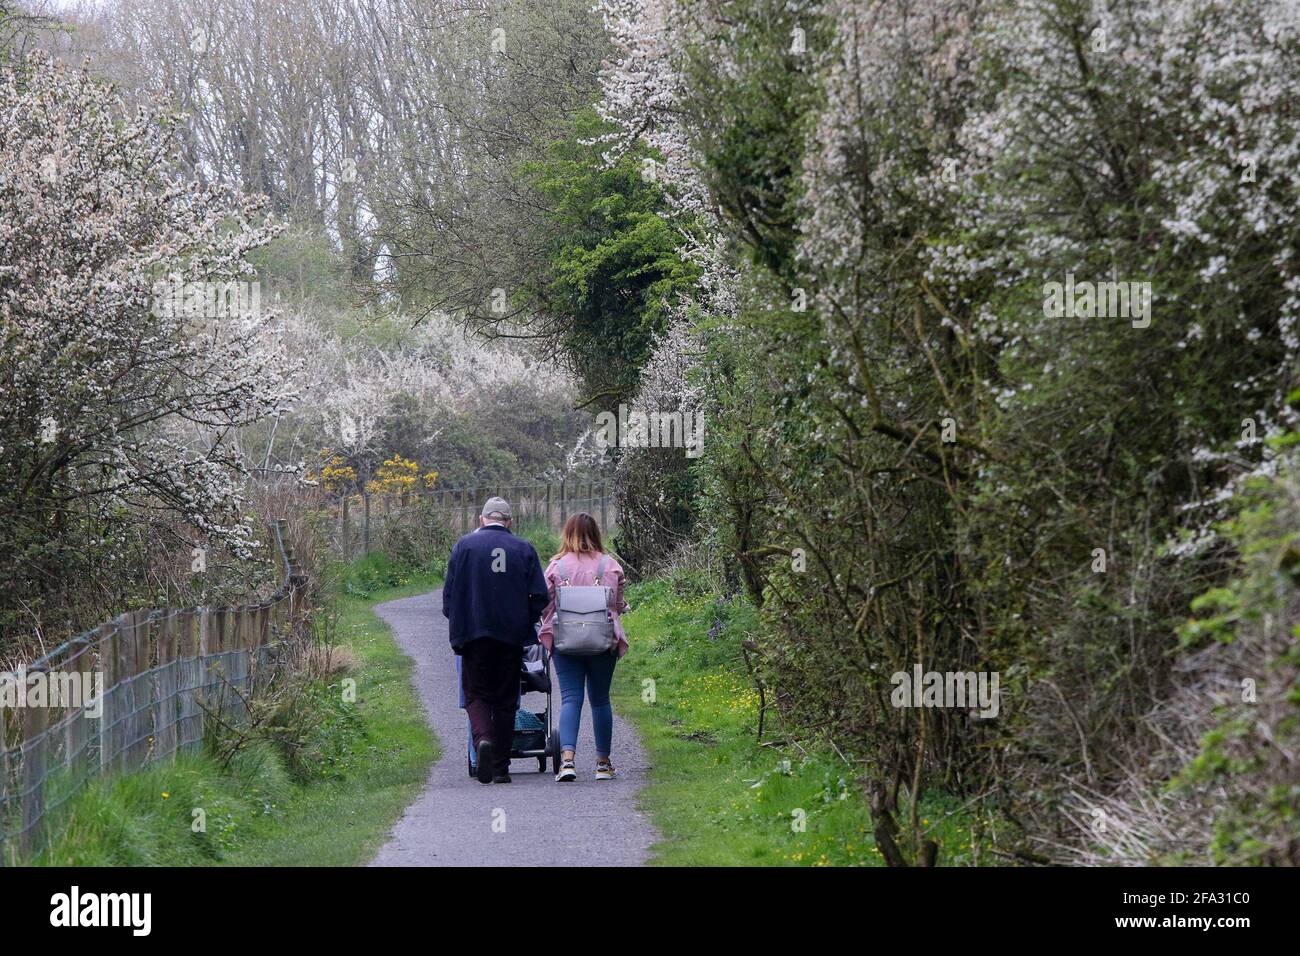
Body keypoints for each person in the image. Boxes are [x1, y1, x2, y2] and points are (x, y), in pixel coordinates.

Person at [443, 496, 548, 784]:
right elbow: (540, 596)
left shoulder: (464, 546)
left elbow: (449, 595)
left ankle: (482, 742)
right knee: (505, 699)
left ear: (482, 520)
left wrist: (457, 619)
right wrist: (525, 620)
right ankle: (501, 767)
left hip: (474, 635)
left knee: (476, 694)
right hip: (511, 637)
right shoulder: (524, 548)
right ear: (509, 522)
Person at [537, 513, 629, 782]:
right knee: (600, 700)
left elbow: (545, 604)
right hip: (602, 642)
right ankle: (602, 763)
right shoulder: (611, 566)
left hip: (566, 641)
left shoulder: (556, 568)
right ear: (597, 533)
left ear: (567, 534)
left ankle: (567, 762)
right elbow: (618, 604)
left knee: (570, 699)